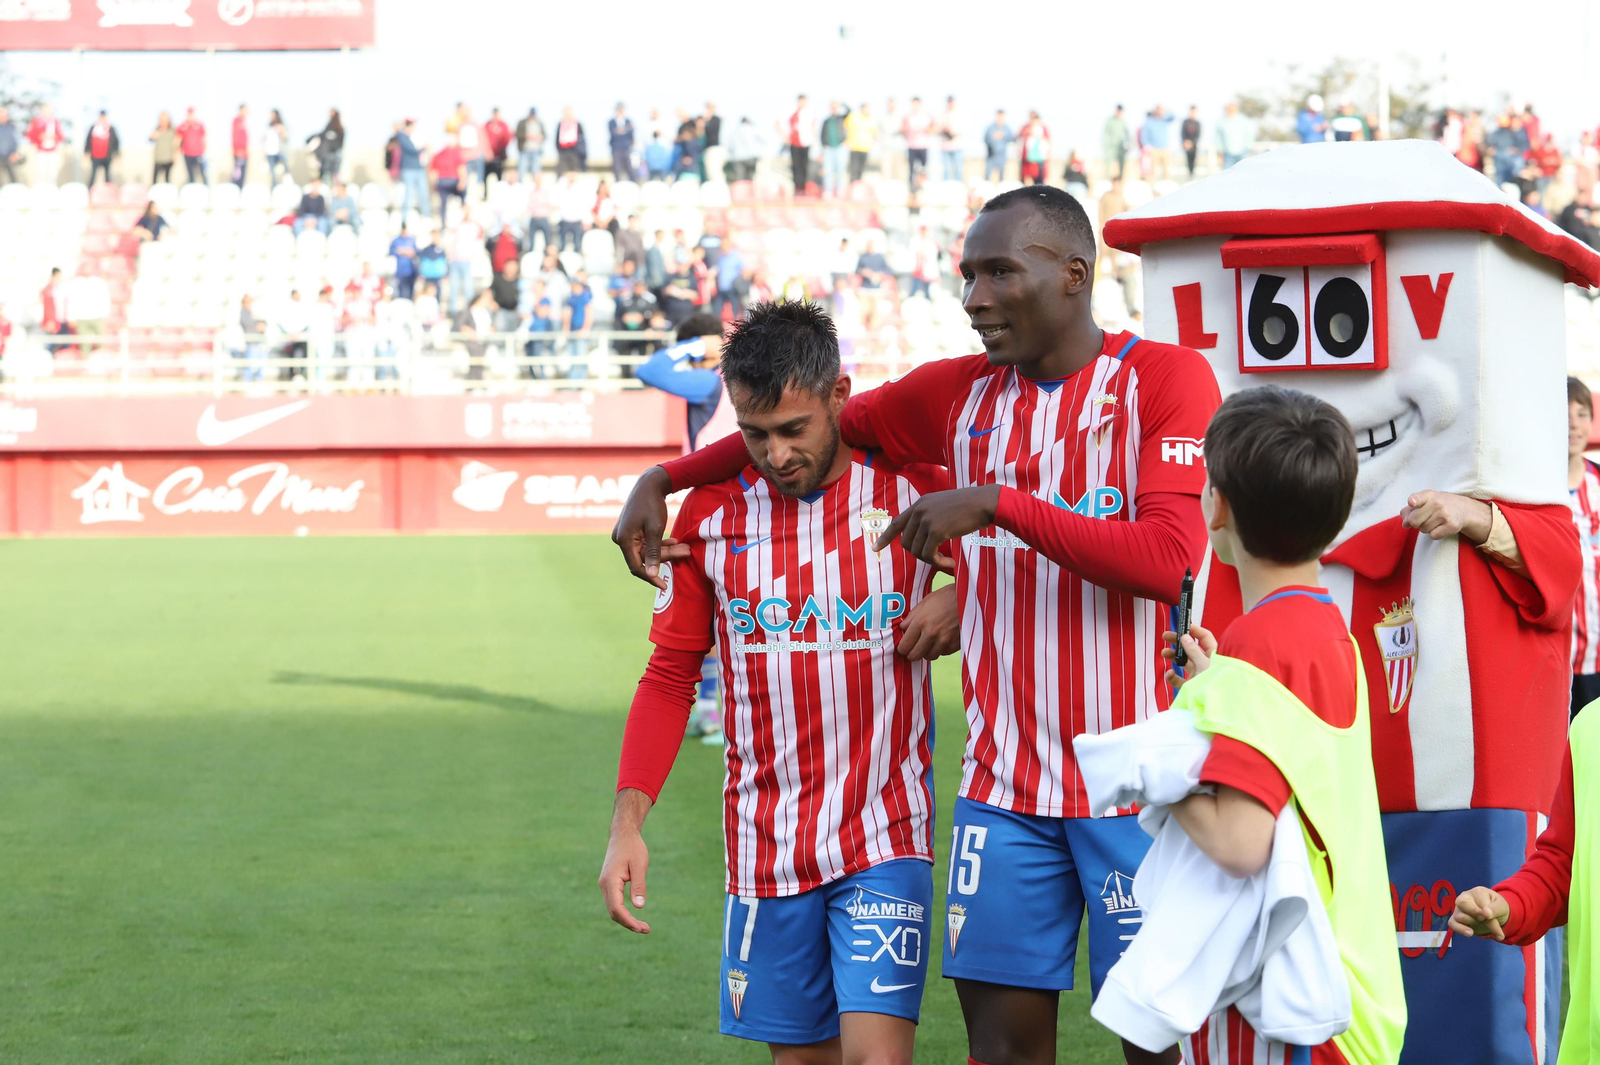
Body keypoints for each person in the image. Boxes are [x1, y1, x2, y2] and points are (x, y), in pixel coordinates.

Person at [611, 185, 1223, 1065]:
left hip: (1139, 789)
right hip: (1002, 794)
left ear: (1075, 276)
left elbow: (1168, 557)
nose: (972, 295)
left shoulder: (1164, 378)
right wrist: (663, 480)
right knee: (1003, 1052)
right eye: (967, 274)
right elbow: (811, 432)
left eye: (998, 271)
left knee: (1161, 1046)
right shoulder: (955, 393)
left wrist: (996, 507)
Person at [599, 299, 959, 1065]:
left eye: (794, 430)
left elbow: (1022, 567)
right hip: (765, 847)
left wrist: (966, 592)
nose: (775, 453)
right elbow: (668, 678)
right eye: (754, 434)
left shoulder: (912, 492)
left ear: (840, 395)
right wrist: (628, 824)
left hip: (885, 832)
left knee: (879, 1058)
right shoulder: (708, 517)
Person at [1134, 386, 1405, 1065]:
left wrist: (1156, 762)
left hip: (1290, 1003)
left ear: (1215, 504)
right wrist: (1215, 689)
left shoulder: (1260, 646)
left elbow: (1239, 841)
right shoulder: (1326, 629)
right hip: (1347, 990)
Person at [1569, 377, 1600, 716]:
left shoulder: (1598, 482)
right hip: (1559, 656)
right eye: (1565, 416)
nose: (1573, 425)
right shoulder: (1537, 492)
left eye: (1581, 414)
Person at [454, 286, 495, 381]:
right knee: (475, 363)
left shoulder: (488, 312)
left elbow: (493, 325)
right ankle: (473, 384)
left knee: (481, 363)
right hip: (473, 342)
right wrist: (472, 334)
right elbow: (461, 326)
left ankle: (480, 383)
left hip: (484, 341)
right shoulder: (468, 311)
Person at [562, 269, 594, 378]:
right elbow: (567, 315)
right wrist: (566, 330)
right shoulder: (571, 297)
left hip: (581, 331)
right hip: (572, 331)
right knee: (572, 358)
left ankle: (580, 382)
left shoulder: (585, 296)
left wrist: (585, 328)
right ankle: (573, 382)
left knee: (581, 357)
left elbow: (589, 313)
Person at [25, 103, 64, 187]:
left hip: (53, 151)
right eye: (46, 111)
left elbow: (62, 136)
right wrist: (40, 137)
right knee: (41, 172)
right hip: (40, 151)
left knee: (53, 172)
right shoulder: (36, 121)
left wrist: (55, 137)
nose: (48, 113)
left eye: (50, 111)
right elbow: (29, 135)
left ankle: (52, 188)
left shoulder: (56, 122)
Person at [395, 120, 428, 217]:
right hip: (408, 170)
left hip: (419, 169)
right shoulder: (402, 137)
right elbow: (413, 150)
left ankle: (426, 216)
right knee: (408, 195)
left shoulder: (414, 137)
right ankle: (405, 219)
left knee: (424, 195)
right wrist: (423, 148)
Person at [902, 95, 935, 189]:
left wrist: (925, 130)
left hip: (923, 146)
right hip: (912, 146)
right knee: (911, 169)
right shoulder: (908, 116)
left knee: (924, 169)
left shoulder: (926, 115)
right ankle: (911, 189)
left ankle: (924, 187)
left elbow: (933, 128)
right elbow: (903, 128)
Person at [786, 94, 816, 196]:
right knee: (796, 166)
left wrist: (813, 141)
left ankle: (803, 188)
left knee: (804, 167)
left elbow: (814, 128)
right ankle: (796, 188)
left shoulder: (809, 113)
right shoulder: (792, 113)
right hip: (795, 143)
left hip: (805, 144)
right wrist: (784, 136)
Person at [430, 135, 465, 224]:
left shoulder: (437, 155)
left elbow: (433, 173)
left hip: (442, 182)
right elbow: (461, 168)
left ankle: (443, 224)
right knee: (463, 197)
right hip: (453, 181)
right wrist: (463, 181)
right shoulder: (454, 152)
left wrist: (434, 186)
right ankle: (464, 212)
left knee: (443, 205)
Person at [842, 102, 877, 186]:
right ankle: (852, 188)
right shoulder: (853, 117)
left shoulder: (871, 119)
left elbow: (875, 134)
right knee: (853, 170)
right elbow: (844, 127)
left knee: (861, 171)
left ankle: (857, 188)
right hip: (854, 147)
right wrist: (846, 141)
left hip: (865, 148)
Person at [819, 101, 849, 198]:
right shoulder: (826, 121)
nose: (834, 109)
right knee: (828, 170)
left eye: (835, 107)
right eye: (832, 107)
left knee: (841, 169)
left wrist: (841, 104)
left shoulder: (841, 118)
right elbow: (822, 134)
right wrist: (824, 144)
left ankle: (840, 190)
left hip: (840, 147)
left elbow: (849, 111)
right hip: (829, 149)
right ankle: (828, 191)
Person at [83, 110, 119, 188]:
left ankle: (109, 192)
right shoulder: (94, 127)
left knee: (107, 176)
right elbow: (88, 140)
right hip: (95, 156)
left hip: (107, 156)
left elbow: (115, 141)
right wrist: (86, 151)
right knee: (93, 175)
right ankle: (89, 190)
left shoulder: (110, 128)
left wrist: (117, 154)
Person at [307, 109, 344, 182]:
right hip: (326, 155)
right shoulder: (328, 126)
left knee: (335, 174)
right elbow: (322, 136)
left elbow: (340, 143)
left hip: (335, 153)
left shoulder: (340, 128)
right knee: (326, 174)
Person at [1216, 101, 1253, 169]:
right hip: (1227, 154)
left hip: (1242, 153)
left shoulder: (1243, 120)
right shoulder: (1221, 122)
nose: (1230, 111)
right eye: (1228, 109)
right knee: (1228, 174)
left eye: (1232, 109)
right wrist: (1220, 153)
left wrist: (1247, 147)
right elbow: (1218, 138)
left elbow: (1249, 134)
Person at [1018, 111, 1051, 186]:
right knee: (1025, 178)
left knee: (1039, 181)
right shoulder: (1025, 128)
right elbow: (1020, 139)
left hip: (1039, 159)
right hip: (1027, 159)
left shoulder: (1043, 129)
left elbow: (1047, 141)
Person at [1142, 105, 1175, 181]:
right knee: (1152, 172)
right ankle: (1153, 188)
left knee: (1166, 171)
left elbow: (1174, 117)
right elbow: (1144, 136)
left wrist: (1165, 111)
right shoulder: (1149, 122)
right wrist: (1147, 146)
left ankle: (1166, 187)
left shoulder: (1164, 120)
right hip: (1154, 150)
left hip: (1165, 149)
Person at [726, 116, 763, 183]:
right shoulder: (752, 129)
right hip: (751, 158)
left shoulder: (734, 131)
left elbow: (730, 146)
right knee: (750, 180)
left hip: (738, 159)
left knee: (740, 181)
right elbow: (762, 141)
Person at [176, 107, 207, 185]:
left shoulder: (199, 125)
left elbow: (204, 139)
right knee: (190, 174)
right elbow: (178, 140)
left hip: (198, 154)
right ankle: (192, 189)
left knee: (203, 173)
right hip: (187, 154)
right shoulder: (183, 126)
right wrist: (178, 151)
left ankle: (206, 188)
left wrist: (204, 150)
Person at [483, 107, 511, 191]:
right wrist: (487, 151)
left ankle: (500, 192)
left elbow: (507, 138)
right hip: (489, 157)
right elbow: (483, 138)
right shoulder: (487, 125)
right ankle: (485, 194)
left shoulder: (503, 125)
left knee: (500, 176)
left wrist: (501, 149)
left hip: (500, 156)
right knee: (485, 176)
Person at [389, 223, 419, 300]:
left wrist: (405, 251)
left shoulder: (411, 240)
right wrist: (402, 252)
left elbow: (415, 252)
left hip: (410, 270)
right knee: (401, 291)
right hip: (400, 270)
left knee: (410, 290)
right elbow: (392, 252)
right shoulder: (396, 240)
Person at [982, 109, 1014, 182]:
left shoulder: (1006, 128)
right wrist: (993, 137)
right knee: (987, 176)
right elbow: (985, 139)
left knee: (1002, 177)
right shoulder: (990, 128)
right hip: (991, 156)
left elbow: (1012, 138)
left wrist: (1003, 136)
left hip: (1002, 156)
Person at [608, 103, 635, 182]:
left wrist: (621, 131)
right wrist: (624, 131)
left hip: (626, 149)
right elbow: (614, 134)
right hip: (616, 149)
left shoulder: (628, 121)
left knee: (630, 169)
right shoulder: (611, 122)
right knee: (617, 169)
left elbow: (630, 133)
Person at [940, 95, 965, 182]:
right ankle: (945, 187)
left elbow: (963, 129)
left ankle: (959, 186)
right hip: (945, 146)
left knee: (958, 169)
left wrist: (953, 132)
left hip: (957, 146)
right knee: (946, 170)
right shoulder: (943, 115)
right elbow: (938, 129)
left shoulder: (959, 115)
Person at [555, 107, 586, 176]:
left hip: (574, 150)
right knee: (561, 169)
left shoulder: (577, 124)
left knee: (574, 168)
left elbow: (581, 138)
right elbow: (557, 138)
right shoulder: (560, 124)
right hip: (563, 151)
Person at [516, 107, 545, 180]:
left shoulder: (539, 123)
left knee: (536, 170)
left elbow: (545, 135)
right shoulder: (522, 123)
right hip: (525, 150)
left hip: (536, 150)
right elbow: (517, 134)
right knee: (522, 169)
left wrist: (540, 137)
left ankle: (535, 188)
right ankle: (520, 185)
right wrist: (526, 136)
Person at [1102, 104, 1129, 181]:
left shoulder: (1123, 122)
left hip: (1121, 147)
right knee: (1108, 165)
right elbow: (1105, 134)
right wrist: (1105, 146)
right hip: (1111, 147)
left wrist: (1128, 145)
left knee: (1122, 166)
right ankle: (1107, 180)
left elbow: (1127, 134)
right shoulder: (1110, 121)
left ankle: (1120, 181)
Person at [264, 109, 288, 186]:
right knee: (272, 172)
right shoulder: (269, 127)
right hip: (270, 152)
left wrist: (281, 131)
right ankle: (274, 186)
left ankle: (287, 183)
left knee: (285, 168)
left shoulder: (281, 126)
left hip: (279, 151)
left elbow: (285, 138)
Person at [1179, 105, 1201, 178]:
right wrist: (1186, 142)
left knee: (1194, 161)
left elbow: (1198, 135)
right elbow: (1182, 133)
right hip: (1186, 145)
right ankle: (1188, 175)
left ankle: (1193, 175)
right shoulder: (1185, 122)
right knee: (1187, 161)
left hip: (1194, 146)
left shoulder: (1198, 123)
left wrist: (1192, 143)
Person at [229, 104, 249, 186]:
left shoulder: (244, 121)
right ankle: (235, 189)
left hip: (244, 152)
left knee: (243, 174)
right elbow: (235, 136)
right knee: (237, 175)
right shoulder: (237, 121)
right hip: (239, 152)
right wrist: (238, 150)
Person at [0, 107, 20, 185]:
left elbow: (14, 141)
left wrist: (14, 152)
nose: (3, 118)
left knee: (13, 178)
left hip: (9, 156)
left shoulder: (11, 127)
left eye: (5, 116)